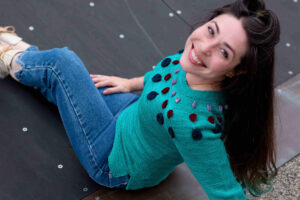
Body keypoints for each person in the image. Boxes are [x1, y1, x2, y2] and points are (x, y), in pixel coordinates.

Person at [0, 0, 280, 199]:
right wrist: (130, 83)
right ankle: (27, 61)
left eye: (224, 52)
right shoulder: (192, 63)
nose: (204, 48)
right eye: (211, 30)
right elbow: (163, 75)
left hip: (111, 160)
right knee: (63, 81)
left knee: (63, 63)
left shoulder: (192, 123)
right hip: (132, 115)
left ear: (238, 70)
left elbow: (225, 193)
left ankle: (13, 57)